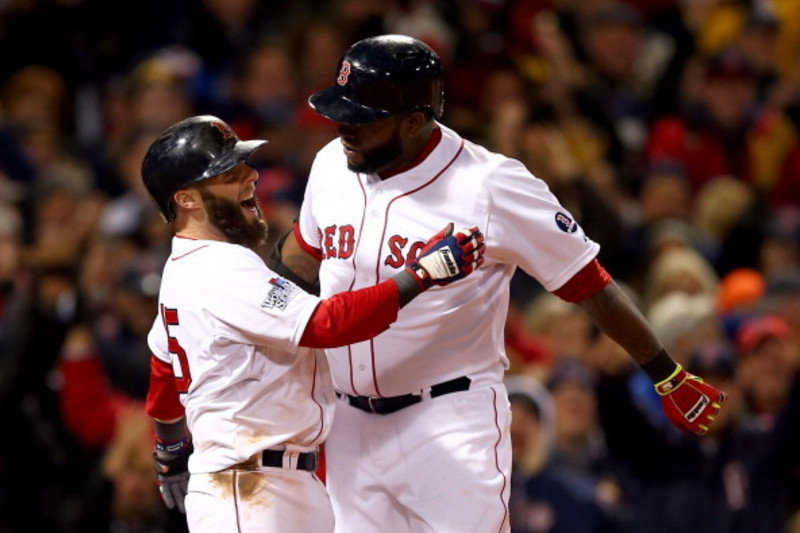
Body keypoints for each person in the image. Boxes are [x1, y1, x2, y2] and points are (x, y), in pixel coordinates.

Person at [270, 34, 727, 532]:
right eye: (342, 114)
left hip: (446, 418)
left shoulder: (490, 184)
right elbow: (298, 261)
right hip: (348, 423)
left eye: (362, 119)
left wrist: (664, 371)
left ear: (416, 121)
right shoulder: (331, 165)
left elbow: (589, 282)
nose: (345, 130)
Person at [139, 114, 485, 532]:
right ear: (187, 200)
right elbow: (329, 324)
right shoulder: (219, 268)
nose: (251, 175)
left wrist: (170, 448)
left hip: (273, 484)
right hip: (249, 490)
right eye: (228, 172)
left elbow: (163, 367)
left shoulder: (187, 267)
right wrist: (422, 274)